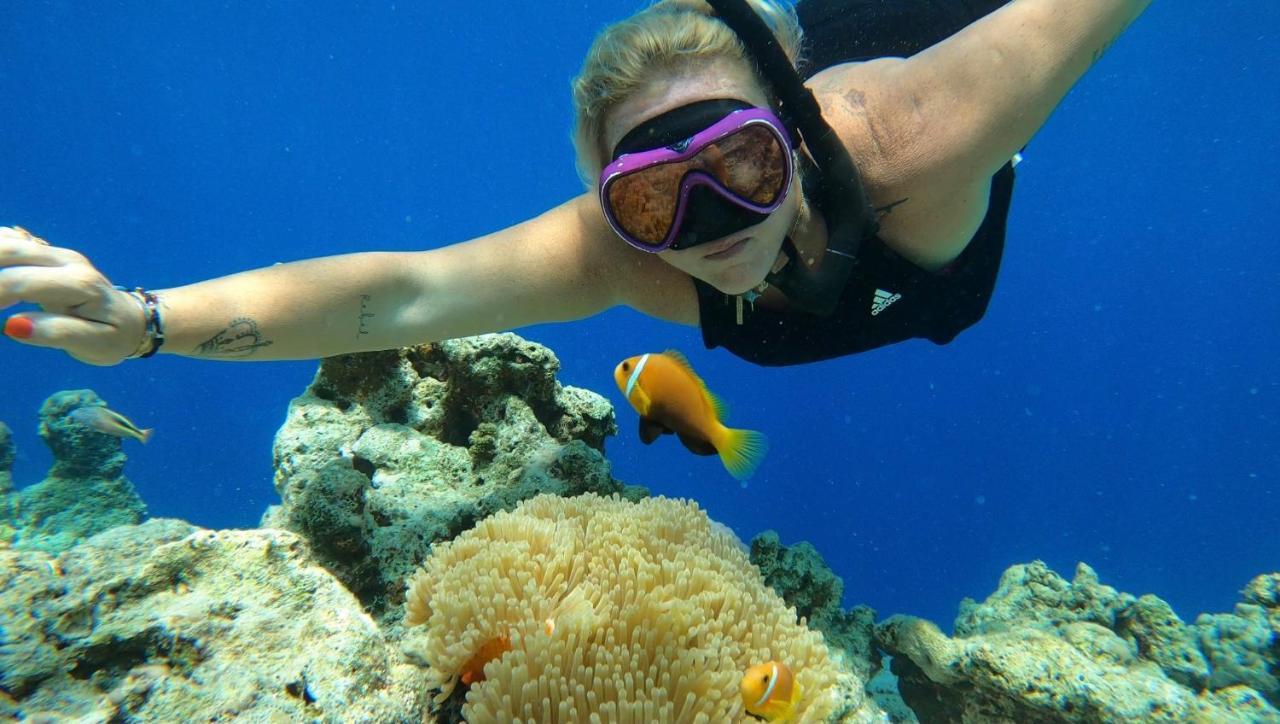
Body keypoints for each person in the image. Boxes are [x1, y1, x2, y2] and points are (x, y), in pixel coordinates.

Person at [1, 0, 1152, 368]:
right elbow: (402, 296)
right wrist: (147, 322)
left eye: (742, 167)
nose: (706, 229)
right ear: (610, 200)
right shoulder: (621, 260)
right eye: (653, 198)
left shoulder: (924, 135)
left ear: (787, 137)